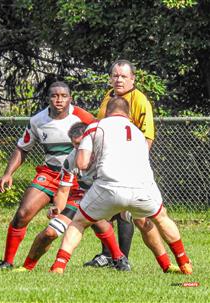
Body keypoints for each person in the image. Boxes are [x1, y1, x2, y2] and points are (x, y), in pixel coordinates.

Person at [49, 96, 192, 275]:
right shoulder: (138, 132)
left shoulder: (96, 126)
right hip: (142, 186)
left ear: (107, 112)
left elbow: (82, 163)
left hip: (109, 187)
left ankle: (58, 266)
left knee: (78, 222)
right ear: (129, 114)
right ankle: (183, 262)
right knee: (160, 218)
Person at [17, 123, 180, 273]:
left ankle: (166, 265)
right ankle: (27, 267)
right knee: (50, 232)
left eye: (82, 144)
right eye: (75, 145)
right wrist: (58, 209)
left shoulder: (110, 152)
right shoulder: (71, 160)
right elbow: (63, 190)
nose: (79, 148)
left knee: (143, 221)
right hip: (84, 198)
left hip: (113, 194)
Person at [0, 81, 94, 269]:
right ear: (48, 98)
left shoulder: (83, 117)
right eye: (54, 96)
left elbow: (100, 138)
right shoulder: (38, 120)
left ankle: (117, 258)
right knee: (22, 214)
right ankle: (7, 261)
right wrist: (8, 173)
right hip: (51, 174)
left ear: (70, 98)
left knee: (98, 220)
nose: (59, 100)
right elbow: (23, 148)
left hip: (77, 177)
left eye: (63, 96)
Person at [84, 59, 155, 268]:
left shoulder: (140, 100)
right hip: (107, 162)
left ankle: (122, 258)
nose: (119, 80)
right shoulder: (109, 97)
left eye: (123, 76)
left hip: (129, 164)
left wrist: (137, 163)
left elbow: (147, 136)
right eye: (115, 75)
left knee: (126, 210)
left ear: (132, 79)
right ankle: (108, 254)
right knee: (106, 208)